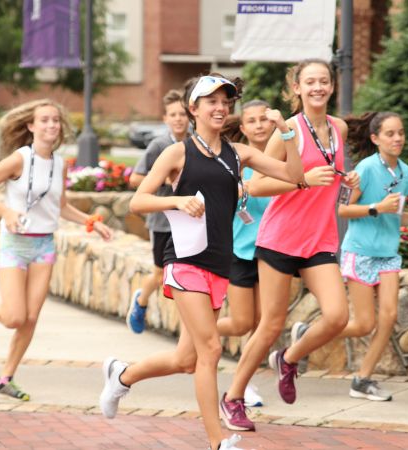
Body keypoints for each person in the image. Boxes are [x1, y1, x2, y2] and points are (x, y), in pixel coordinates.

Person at [98, 74, 304, 450]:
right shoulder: (178, 153)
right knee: (210, 350)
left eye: (225, 101)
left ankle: (122, 375)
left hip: (218, 265)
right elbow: (137, 200)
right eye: (211, 101)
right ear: (193, 109)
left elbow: (295, 177)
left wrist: (285, 132)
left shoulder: (238, 154)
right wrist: (175, 200)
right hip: (184, 260)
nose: (220, 107)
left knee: (186, 360)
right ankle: (216, 442)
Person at [220, 59, 360, 432]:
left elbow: (331, 174)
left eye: (324, 81)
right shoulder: (288, 132)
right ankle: (233, 397)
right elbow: (257, 185)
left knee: (337, 316)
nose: (318, 87)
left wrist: (347, 179)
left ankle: (289, 357)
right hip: (280, 238)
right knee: (270, 324)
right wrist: (304, 181)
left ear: (332, 86)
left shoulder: (338, 128)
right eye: (310, 81)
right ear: (296, 88)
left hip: (320, 238)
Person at [0, 99, 112, 401]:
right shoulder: (20, 158)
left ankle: (6, 378)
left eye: (55, 120)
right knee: (14, 317)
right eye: (44, 120)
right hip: (16, 244)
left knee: (30, 319)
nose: (51, 125)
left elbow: (61, 206)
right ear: (31, 126)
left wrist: (91, 222)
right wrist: (6, 212)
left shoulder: (59, 163)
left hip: (44, 244)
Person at [337, 112, 408, 402]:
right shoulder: (365, 169)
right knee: (364, 324)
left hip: (387, 254)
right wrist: (375, 207)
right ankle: (310, 333)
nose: (398, 138)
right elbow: (341, 210)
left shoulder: (405, 173)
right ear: (375, 139)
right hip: (360, 251)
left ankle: (362, 380)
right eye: (390, 133)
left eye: (401, 132)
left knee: (388, 318)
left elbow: (396, 215)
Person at [218, 100, 276, 408]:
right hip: (240, 250)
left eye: (264, 119)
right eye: (251, 120)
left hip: (274, 252)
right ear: (243, 127)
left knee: (262, 323)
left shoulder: (281, 158)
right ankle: (198, 329)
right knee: (242, 322)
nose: (258, 125)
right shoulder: (234, 159)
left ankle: (245, 384)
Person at [126, 89, 189, 334]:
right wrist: (165, 179)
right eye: (173, 114)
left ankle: (187, 328)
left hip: (189, 220)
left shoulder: (196, 141)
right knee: (161, 272)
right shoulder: (159, 145)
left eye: (182, 113)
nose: (178, 119)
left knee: (185, 273)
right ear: (165, 119)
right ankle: (141, 301)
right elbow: (135, 179)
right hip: (162, 221)